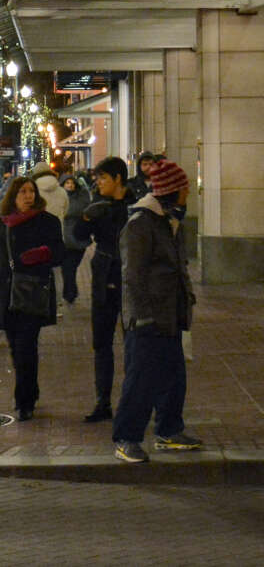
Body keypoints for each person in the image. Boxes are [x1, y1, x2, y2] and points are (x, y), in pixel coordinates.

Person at [111, 159, 200, 463]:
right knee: (141, 378)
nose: (188, 191)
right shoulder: (141, 223)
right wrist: (144, 314)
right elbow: (132, 275)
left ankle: (169, 430)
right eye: (184, 186)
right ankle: (126, 438)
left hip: (170, 312)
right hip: (148, 316)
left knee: (174, 375)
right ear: (173, 190)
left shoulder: (169, 219)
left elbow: (177, 265)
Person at [0, 175, 64, 422]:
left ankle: (24, 401)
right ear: (13, 197)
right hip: (6, 293)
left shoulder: (47, 221)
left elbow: (60, 253)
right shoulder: (6, 223)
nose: (28, 196)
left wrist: (42, 254)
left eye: (31, 191)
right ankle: (31, 389)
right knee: (14, 347)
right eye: (22, 192)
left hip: (32, 292)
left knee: (26, 346)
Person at [72, 156, 131, 422]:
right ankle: (103, 402)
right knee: (102, 343)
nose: (99, 183)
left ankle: (133, 401)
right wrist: (86, 218)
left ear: (118, 178)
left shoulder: (135, 205)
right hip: (103, 278)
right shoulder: (99, 207)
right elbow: (79, 236)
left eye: (104, 178)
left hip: (130, 279)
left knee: (135, 343)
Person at [59, 173, 89, 305]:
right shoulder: (60, 196)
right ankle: (70, 292)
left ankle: (70, 291)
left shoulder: (81, 196)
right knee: (67, 268)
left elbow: (75, 210)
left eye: (71, 183)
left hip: (78, 238)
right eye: (67, 183)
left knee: (71, 267)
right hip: (65, 240)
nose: (70, 185)